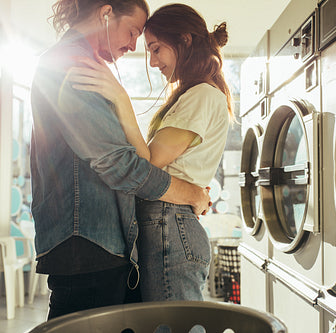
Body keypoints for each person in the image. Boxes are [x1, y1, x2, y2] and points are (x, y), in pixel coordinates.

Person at [30, 0, 210, 320]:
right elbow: (120, 164)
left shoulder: (80, 62)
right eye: (132, 32)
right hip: (88, 245)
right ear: (106, 13)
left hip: (93, 243)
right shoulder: (73, 64)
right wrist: (192, 193)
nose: (133, 45)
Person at [68, 3, 232, 303]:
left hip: (171, 223)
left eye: (156, 49)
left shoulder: (202, 95)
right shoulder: (193, 94)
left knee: (173, 326)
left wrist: (120, 97)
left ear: (184, 40)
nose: (153, 62)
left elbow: (149, 163)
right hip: (169, 222)